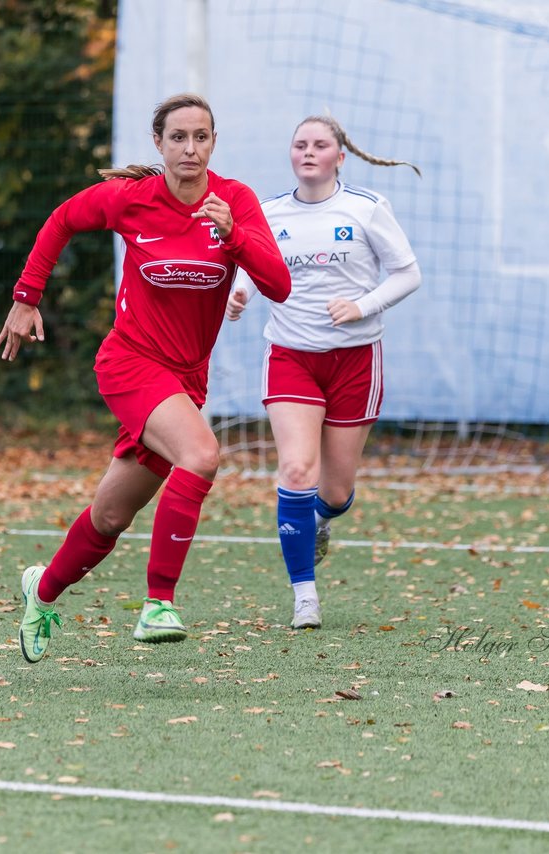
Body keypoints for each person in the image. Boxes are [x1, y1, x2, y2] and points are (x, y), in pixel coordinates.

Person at [0, 93, 292, 663]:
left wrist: (235, 236)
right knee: (202, 454)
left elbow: (278, 285)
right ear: (158, 144)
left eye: (200, 137)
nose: (190, 148)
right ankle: (159, 602)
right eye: (177, 137)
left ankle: (42, 590)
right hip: (130, 364)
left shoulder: (234, 202)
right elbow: (61, 220)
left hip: (185, 382)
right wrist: (27, 297)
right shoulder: (132, 199)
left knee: (110, 516)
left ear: (213, 144)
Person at [226, 114, 422, 629]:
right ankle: (304, 597)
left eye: (319, 145)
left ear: (340, 155)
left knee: (334, 492)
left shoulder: (367, 208)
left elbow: (408, 273)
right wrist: (240, 292)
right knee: (295, 470)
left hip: (356, 359)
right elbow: (249, 262)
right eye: (299, 145)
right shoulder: (267, 213)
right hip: (291, 356)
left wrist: (363, 305)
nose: (308, 152)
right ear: (291, 155)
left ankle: (319, 521)